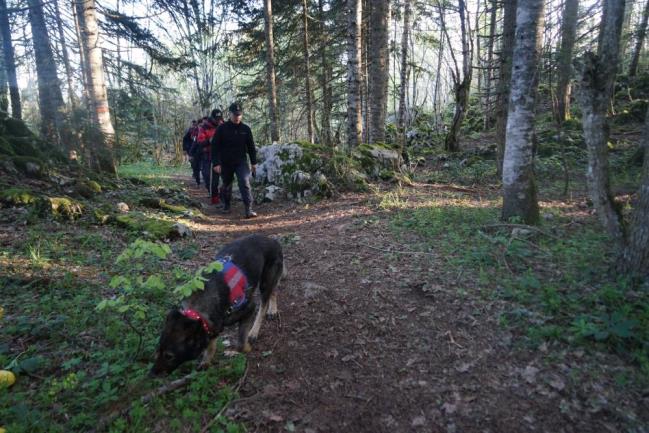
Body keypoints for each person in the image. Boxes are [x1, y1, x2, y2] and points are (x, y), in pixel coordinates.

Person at [212, 102, 258, 218]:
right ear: (230, 114)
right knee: (227, 184)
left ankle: (248, 208)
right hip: (225, 162)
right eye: (235, 115)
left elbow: (251, 147)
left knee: (244, 181)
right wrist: (216, 163)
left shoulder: (246, 129)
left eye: (239, 115)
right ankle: (226, 205)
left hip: (241, 161)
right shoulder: (222, 129)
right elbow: (215, 147)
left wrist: (253, 163)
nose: (237, 117)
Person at [197, 111, 223, 204]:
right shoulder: (204, 127)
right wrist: (210, 140)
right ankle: (214, 196)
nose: (218, 121)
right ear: (211, 118)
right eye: (216, 119)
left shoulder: (223, 125)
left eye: (219, 119)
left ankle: (223, 196)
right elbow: (200, 143)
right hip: (208, 155)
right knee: (208, 176)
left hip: (222, 154)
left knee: (225, 177)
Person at [183, 120, 200, 186]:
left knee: (197, 164)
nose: (194, 126)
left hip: (198, 150)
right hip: (190, 149)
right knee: (193, 163)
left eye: (195, 125)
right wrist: (184, 149)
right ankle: (195, 173)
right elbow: (184, 139)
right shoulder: (189, 131)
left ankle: (197, 175)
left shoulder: (200, 130)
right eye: (193, 125)